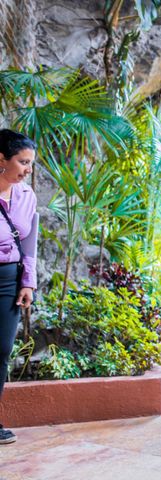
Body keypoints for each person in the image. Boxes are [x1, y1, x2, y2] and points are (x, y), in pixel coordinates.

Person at [0, 129, 37, 445]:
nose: (27, 170)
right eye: (23, 162)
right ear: (1, 159)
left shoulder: (27, 196)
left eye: (30, 164)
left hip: (9, 280)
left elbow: (29, 243)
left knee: (1, 350)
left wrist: (28, 283)